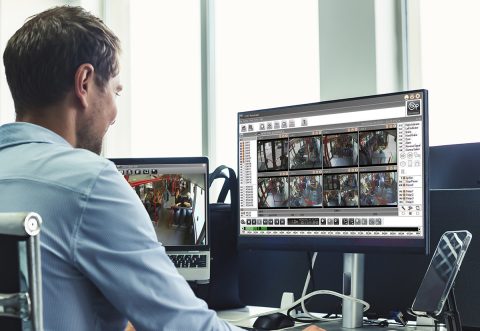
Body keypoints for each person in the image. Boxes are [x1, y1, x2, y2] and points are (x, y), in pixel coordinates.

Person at [0, 6, 325, 331]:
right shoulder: (89, 181)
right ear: (84, 83)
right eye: (115, 91)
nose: (113, 112)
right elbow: (187, 327)